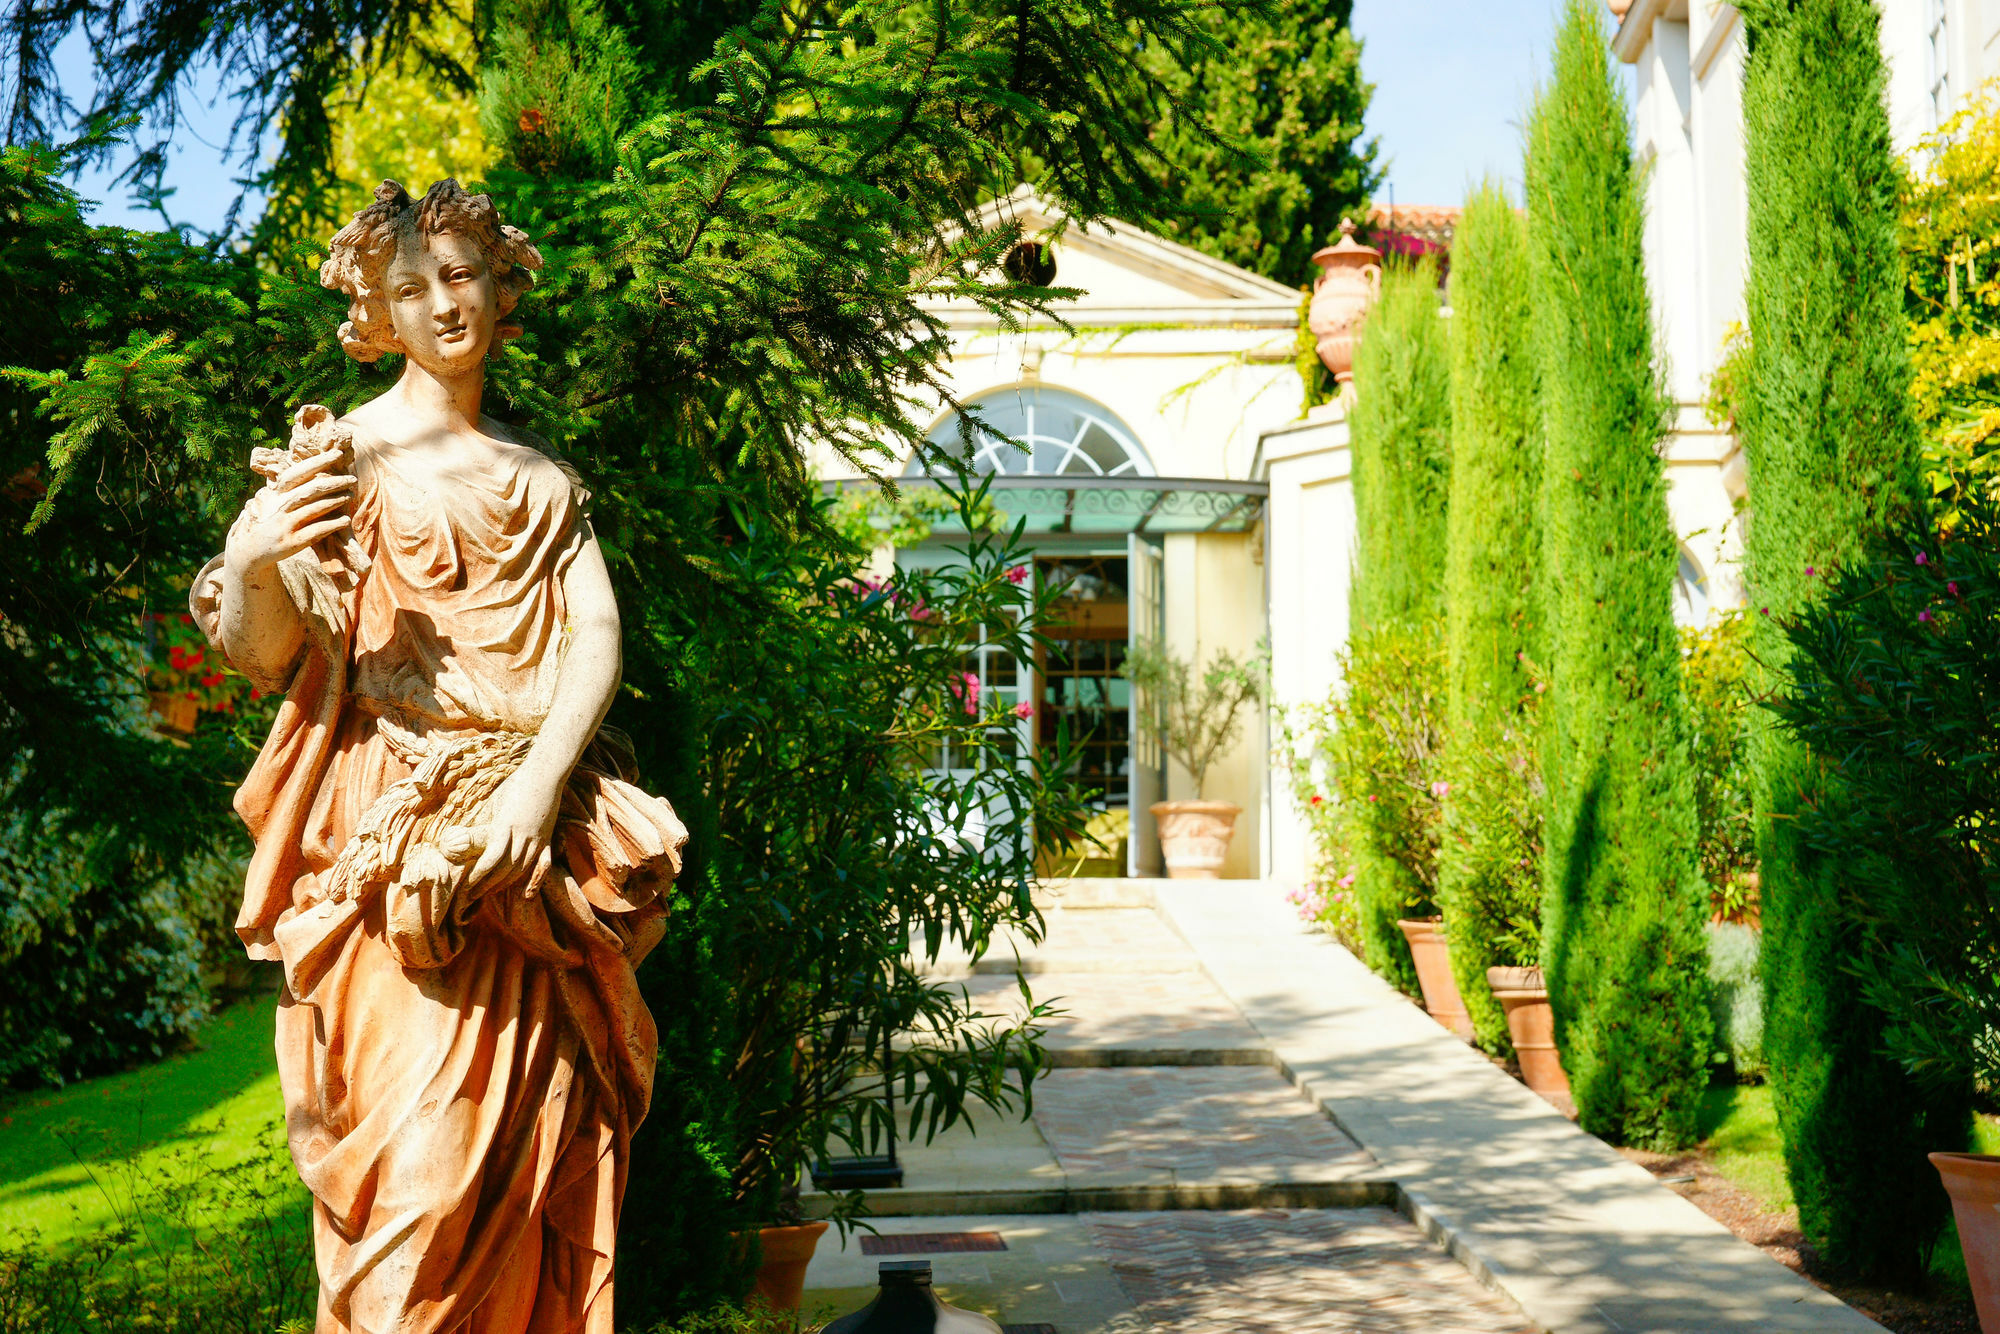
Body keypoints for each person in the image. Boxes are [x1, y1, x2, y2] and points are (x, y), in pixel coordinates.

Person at [191, 178, 685, 1334]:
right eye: (409, 287)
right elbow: (261, 648)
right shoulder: (341, 453)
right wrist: (259, 553)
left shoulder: (543, 477)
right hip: (390, 837)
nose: (441, 304)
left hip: (527, 837)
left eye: (460, 275)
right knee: (418, 1175)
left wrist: (531, 784)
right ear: (377, 312)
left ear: (499, 288)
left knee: (525, 1174)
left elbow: (594, 639)